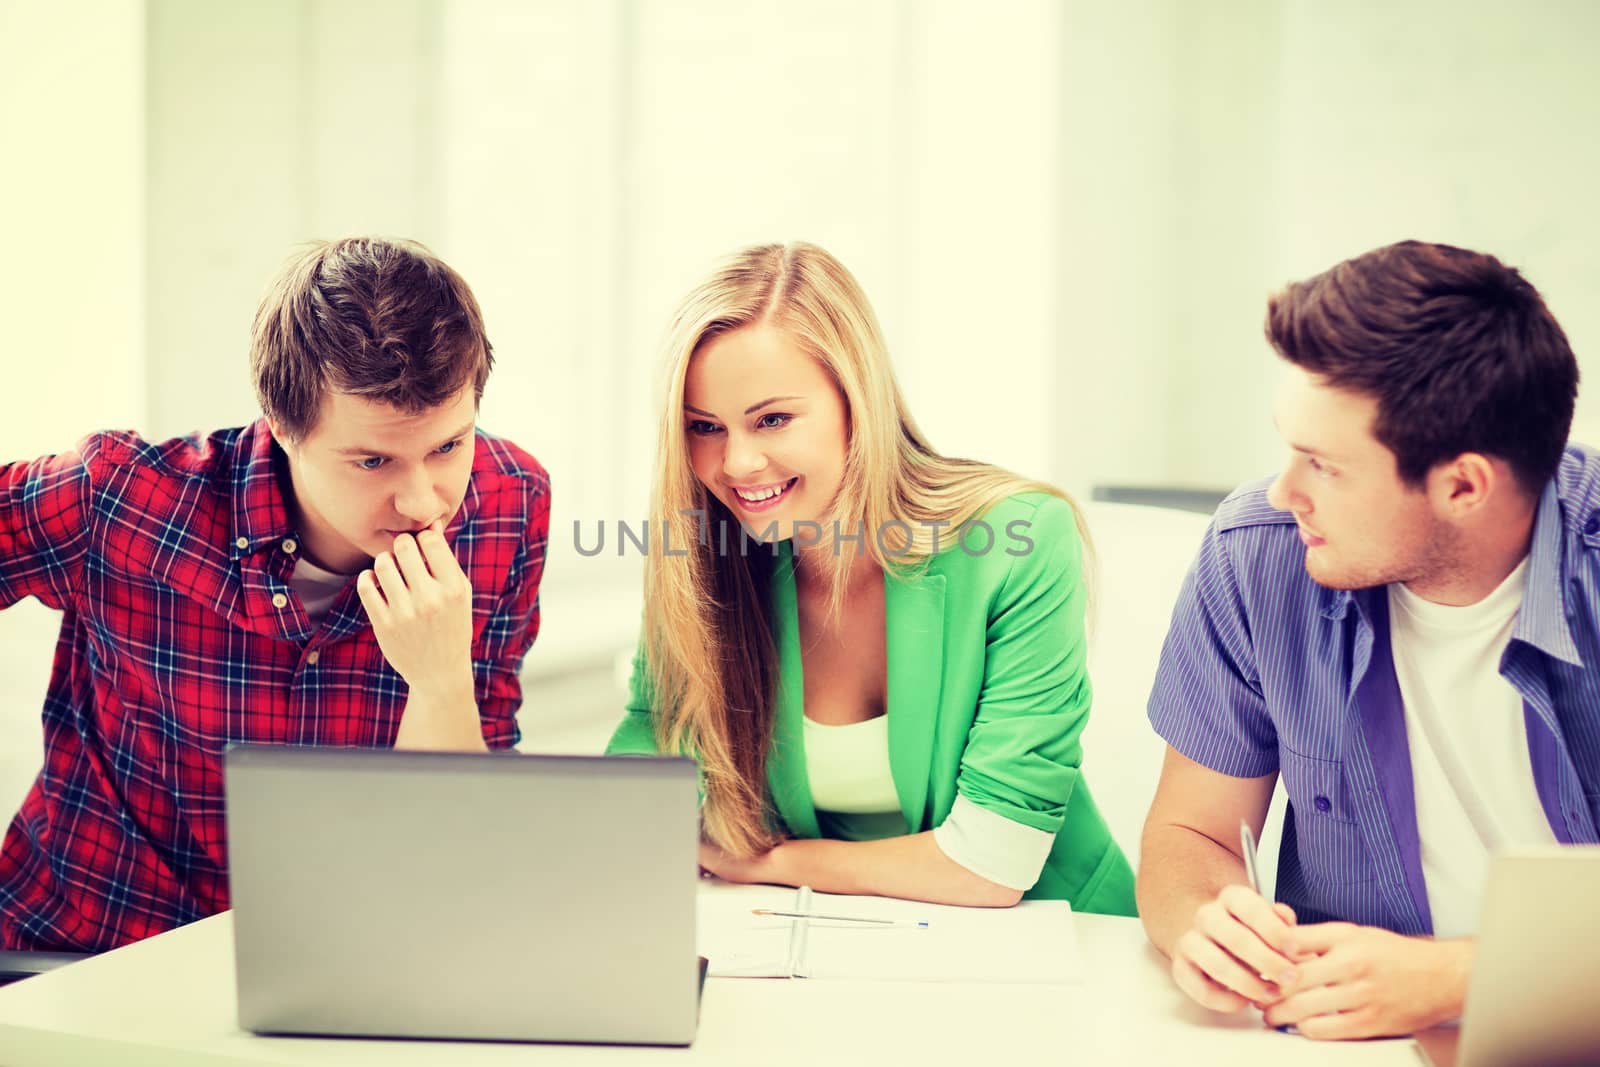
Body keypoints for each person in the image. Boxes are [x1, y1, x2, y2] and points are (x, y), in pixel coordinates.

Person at [0, 237, 550, 952]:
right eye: (373, 459)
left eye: (448, 446)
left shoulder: (510, 506)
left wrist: (440, 680)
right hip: (79, 951)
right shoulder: (121, 497)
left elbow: (453, 853)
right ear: (283, 427)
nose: (422, 501)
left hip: (333, 968)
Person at [1138, 240, 1598, 1039]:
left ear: (1463, 485)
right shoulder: (1259, 554)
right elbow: (1190, 833)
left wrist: (1458, 976)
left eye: (1324, 464)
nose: (1285, 491)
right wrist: (1207, 920)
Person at [605, 241, 1134, 913]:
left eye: (773, 418)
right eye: (705, 427)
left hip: (1059, 943)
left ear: (857, 402)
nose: (736, 463)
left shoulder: (1020, 542)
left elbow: (992, 863)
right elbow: (636, 794)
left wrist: (771, 862)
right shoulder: (704, 557)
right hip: (831, 949)